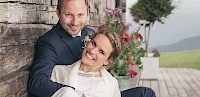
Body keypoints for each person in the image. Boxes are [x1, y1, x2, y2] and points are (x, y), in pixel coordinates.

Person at [28, 0, 94, 97]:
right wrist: (77, 94)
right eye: (68, 15)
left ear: (87, 12)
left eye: (80, 15)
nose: (75, 22)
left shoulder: (90, 34)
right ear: (58, 13)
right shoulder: (49, 42)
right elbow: (37, 82)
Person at [51, 29, 122, 97]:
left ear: (107, 61)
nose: (92, 51)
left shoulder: (111, 84)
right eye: (94, 43)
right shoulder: (58, 72)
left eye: (101, 52)